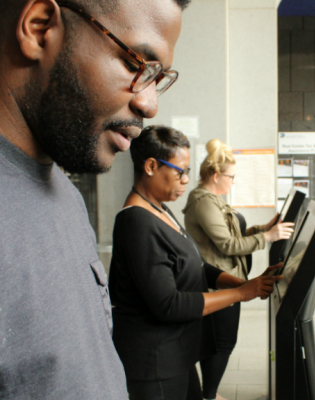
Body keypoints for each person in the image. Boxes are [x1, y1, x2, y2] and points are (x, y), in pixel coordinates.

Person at [0, 0, 186, 397]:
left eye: (158, 78)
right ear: (39, 26)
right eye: (136, 66)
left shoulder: (60, 187)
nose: (149, 104)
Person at [109, 126, 282, 400]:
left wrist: (244, 283)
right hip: (155, 362)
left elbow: (198, 265)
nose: (186, 180)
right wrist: (240, 294)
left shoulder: (160, 209)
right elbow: (168, 304)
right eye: (180, 171)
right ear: (151, 166)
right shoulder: (136, 222)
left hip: (177, 353)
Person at [182, 139, 294, 400]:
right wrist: (267, 238)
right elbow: (228, 244)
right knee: (222, 343)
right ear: (216, 174)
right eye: (231, 176)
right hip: (217, 281)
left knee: (218, 342)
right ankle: (207, 395)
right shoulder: (203, 201)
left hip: (229, 278)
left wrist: (264, 229)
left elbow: (237, 233)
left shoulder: (215, 199)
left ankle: (207, 392)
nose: (234, 181)